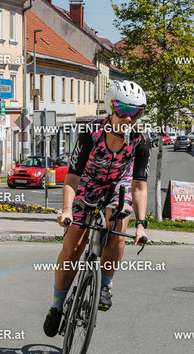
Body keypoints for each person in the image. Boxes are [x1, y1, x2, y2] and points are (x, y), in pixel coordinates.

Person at [43, 80, 151, 338]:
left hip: (118, 185)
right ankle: (57, 306)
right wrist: (67, 210)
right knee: (73, 246)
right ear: (110, 108)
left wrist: (141, 225)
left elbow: (139, 185)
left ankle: (105, 285)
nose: (128, 118)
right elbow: (72, 177)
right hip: (88, 183)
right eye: (122, 110)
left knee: (118, 224)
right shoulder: (90, 132)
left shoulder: (141, 140)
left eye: (135, 112)